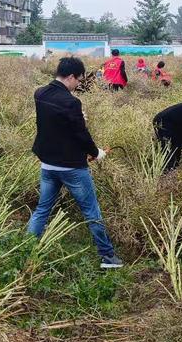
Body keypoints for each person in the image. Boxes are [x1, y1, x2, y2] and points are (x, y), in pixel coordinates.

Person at [28, 57, 123, 269]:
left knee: (42, 209)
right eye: (79, 80)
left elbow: (54, 122)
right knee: (91, 211)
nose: (79, 84)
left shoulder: (40, 93)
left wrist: (77, 117)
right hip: (71, 167)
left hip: (48, 164)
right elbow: (81, 134)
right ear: (70, 76)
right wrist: (96, 153)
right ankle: (108, 257)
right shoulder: (71, 102)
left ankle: (27, 249)